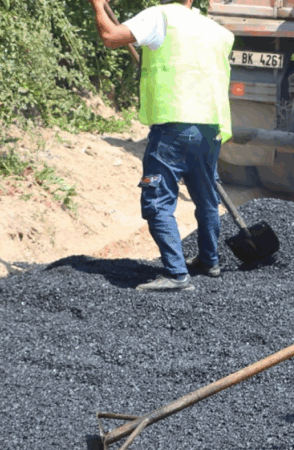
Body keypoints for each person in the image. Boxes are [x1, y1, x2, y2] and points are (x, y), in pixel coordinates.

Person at [88, 0, 234, 291]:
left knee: (157, 201)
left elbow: (110, 37)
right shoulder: (215, 30)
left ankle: (176, 274)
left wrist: (97, 6)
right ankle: (209, 260)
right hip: (210, 127)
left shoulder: (160, 16)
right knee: (206, 198)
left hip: (173, 128)